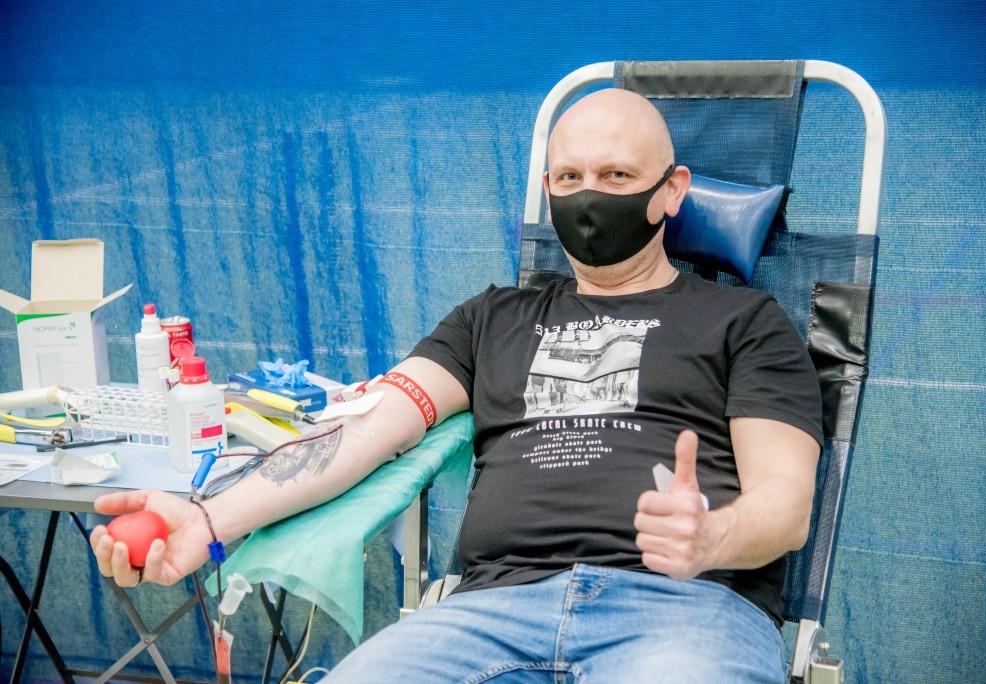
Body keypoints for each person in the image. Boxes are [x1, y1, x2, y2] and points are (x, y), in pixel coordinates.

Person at [91, 88, 822, 683]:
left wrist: (713, 535)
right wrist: (207, 520)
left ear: (673, 190)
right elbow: (363, 431)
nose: (591, 198)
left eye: (617, 177)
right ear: (546, 190)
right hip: (490, 613)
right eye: (570, 179)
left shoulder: (745, 321)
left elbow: (786, 507)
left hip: (684, 607)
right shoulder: (490, 319)